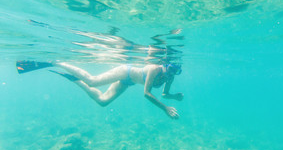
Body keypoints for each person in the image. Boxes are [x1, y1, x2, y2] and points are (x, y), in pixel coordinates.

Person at [16, 61, 183, 119]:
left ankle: (74, 80)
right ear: (165, 65)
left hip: (128, 82)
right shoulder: (155, 69)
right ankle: (56, 62)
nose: (171, 73)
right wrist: (165, 108)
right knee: (93, 81)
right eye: (170, 69)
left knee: (103, 101)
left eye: (175, 71)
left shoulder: (170, 77)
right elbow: (146, 94)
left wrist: (173, 96)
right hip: (126, 71)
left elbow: (164, 94)